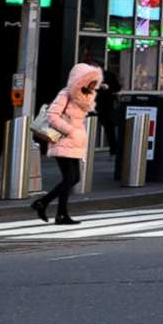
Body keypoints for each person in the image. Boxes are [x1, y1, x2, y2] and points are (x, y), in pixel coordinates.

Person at [29, 62, 102, 226]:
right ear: (80, 80)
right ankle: (49, 206)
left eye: (94, 81)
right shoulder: (66, 94)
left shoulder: (84, 97)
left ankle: (54, 209)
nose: (93, 84)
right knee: (70, 178)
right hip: (63, 140)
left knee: (73, 178)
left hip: (74, 143)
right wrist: (70, 130)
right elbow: (52, 115)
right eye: (89, 80)